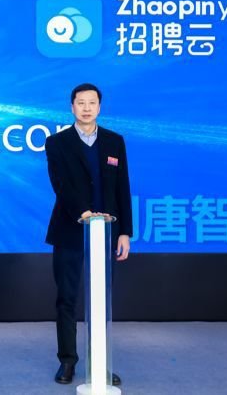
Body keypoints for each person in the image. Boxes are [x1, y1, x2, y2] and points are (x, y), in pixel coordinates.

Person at [44, 83, 133, 386]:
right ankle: (67, 361)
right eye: (80, 103)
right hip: (70, 229)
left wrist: (125, 232)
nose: (86, 108)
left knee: (101, 301)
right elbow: (60, 184)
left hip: (107, 233)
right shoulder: (57, 143)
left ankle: (100, 364)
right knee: (67, 298)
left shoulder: (114, 142)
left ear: (99, 107)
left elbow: (122, 188)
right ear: (72, 107)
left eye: (91, 103)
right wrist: (82, 212)